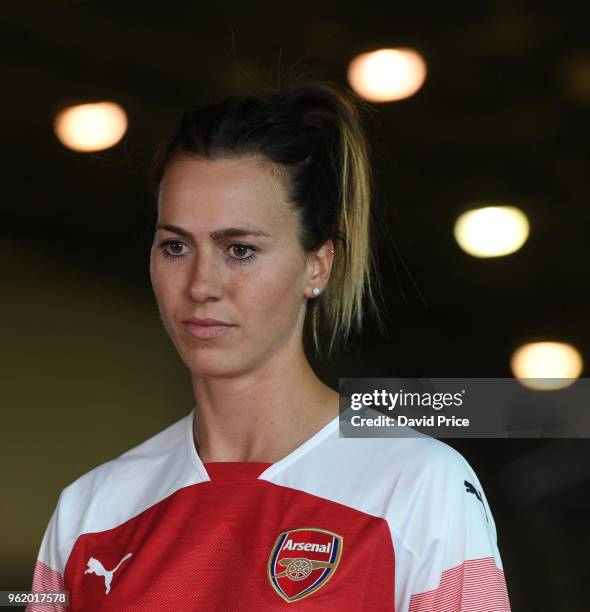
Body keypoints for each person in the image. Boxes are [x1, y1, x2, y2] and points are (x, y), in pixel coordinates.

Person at [27, 80, 511, 611]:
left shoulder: (417, 484)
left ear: (316, 266)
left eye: (240, 249)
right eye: (175, 246)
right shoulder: (92, 510)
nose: (200, 285)